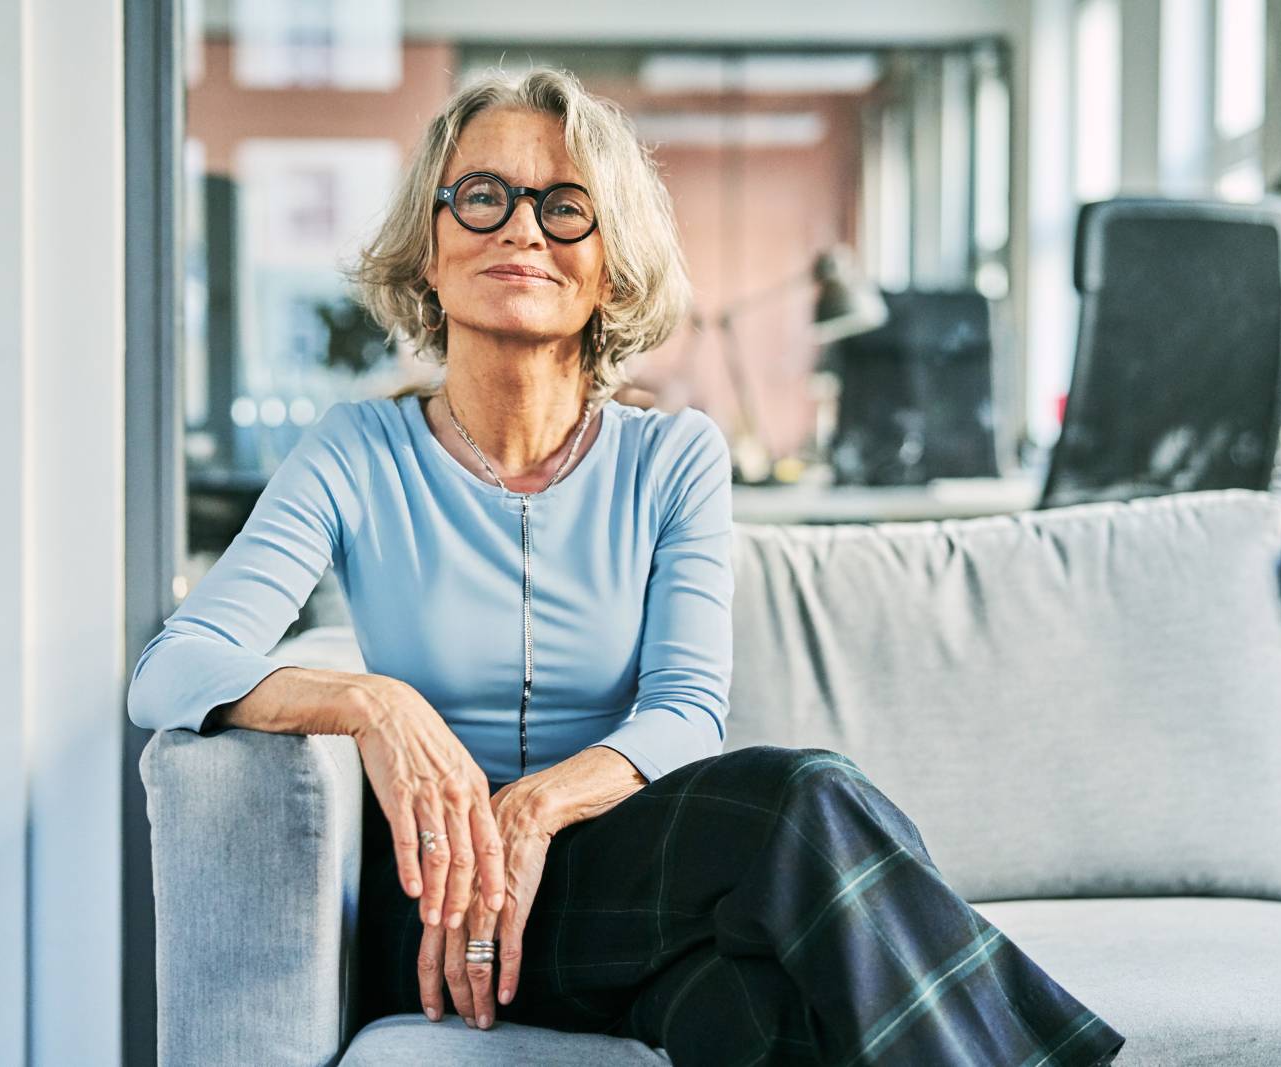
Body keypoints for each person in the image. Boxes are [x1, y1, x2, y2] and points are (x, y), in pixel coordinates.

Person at [127, 66, 1126, 1066]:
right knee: (804, 799)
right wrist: (373, 703)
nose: (522, 230)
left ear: (611, 267)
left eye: (565, 208)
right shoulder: (355, 449)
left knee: (754, 1007)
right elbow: (174, 668)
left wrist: (536, 804)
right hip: (435, 907)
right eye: (482, 197)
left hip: (622, 881)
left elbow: (686, 708)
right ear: (429, 249)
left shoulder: (671, 456)